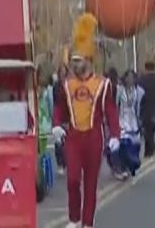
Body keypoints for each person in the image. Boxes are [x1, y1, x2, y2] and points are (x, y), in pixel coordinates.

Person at [51, 14, 120, 228]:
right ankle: (74, 218)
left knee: (90, 184)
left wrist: (115, 135)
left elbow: (110, 111)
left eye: (77, 61)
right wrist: (56, 124)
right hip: (73, 137)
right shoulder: (66, 85)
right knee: (72, 180)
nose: (73, 65)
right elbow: (59, 108)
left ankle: (87, 223)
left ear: (88, 61)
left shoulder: (103, 84)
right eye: (72, 61)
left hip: (94, 138)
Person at [114, 70, 143, 180]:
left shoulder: (138, 91)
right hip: (122, 120)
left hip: (133, 121)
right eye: (128, 77)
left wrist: (140, 120)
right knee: (124, 145)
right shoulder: (119, 90)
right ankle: (122, 167)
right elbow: (116, 105)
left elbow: (139, 106)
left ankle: (132, 165)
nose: (130, 80)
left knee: (135, 146)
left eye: (132, 77)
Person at [138, 61, 155, 157]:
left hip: (145, 106)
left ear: (146, 68)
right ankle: (148, 150)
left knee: (146, 129)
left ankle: (152, 147)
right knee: (151, 128)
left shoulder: (142, 79)